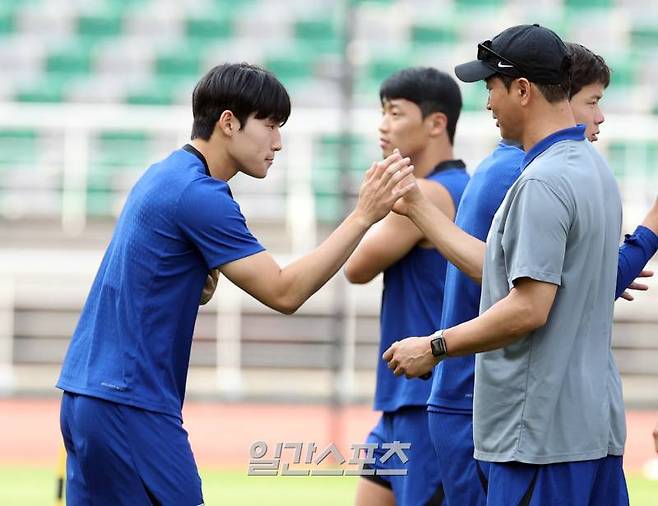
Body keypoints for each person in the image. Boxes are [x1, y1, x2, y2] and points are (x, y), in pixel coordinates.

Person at [56, 63, 413, 505]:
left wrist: (195, 283)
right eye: (269, 125)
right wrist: (363, 216)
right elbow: (284, 292)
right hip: (129, 404)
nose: (277, 142)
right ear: (228, 122)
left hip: (87, 395)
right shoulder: (199, 193)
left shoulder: (163, 173)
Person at [384, 24, 632, 504]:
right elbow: (513, 276)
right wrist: (417, 207)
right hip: (593, 429)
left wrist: (434, 346)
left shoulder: (541, 180)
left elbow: (528, 308)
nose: (487, 103)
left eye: (490, 88)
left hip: (540, 440)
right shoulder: (594, 168)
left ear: (522, 89)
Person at [344, 67, 469, 506]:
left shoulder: (430, 195)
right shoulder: (451, 187)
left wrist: (371, 206)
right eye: (382, 112)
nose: (383, 125)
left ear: (436, 123)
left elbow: (356, 266)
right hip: (401, 400)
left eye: (395, 113)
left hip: (424, 398)